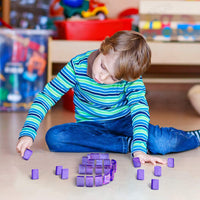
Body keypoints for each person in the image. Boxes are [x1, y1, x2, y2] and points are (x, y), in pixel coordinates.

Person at [16, 31, 200, 165]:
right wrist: (28, 132)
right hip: (89, 125)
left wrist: (139, 147)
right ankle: (124, 143)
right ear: (104, 47)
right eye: (103, 67)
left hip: (124, 122)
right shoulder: (76, 66)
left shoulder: (131, 78)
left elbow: (139, 110)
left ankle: (195, 136)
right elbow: (46, 97)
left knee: (160, 142)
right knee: (55, 138)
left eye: (113, 78)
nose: (102, 78)